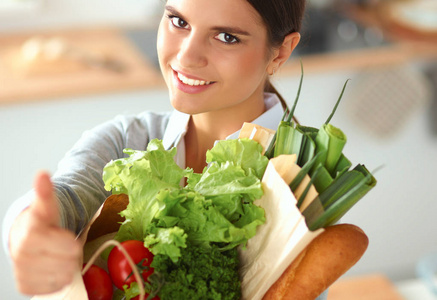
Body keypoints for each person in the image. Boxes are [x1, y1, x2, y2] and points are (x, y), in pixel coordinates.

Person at [2, 0, 329, 299]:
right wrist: (27, 229)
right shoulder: (126, 139)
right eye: (179, 21)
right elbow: (70, 195)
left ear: (281, 52)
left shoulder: (303, 183)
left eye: (227, 37)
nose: (186, 56)